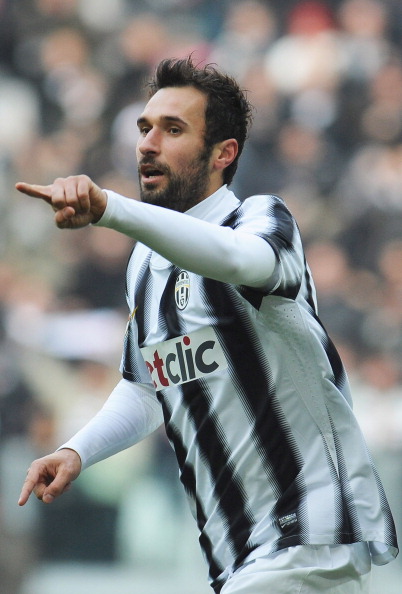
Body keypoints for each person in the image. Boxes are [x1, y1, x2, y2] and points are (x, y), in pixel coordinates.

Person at [16, 57, 398, 594]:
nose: (148, 144)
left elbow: (240, 261)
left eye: (173, 129)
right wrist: (77, 450)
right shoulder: (145, 265)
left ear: (224, 153)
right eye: (145, 128)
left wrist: (111, 210)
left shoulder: (261, 220)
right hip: (239, 558)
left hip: (307, 539)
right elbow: (146, 386)